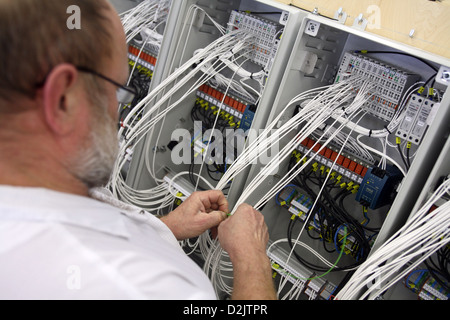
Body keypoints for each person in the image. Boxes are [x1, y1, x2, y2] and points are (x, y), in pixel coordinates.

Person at [0, 0, 277, 300]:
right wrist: (252, 257)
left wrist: (166, 227)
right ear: (63, 99)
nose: (120, 114)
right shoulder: (140, 285)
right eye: (117, 90)